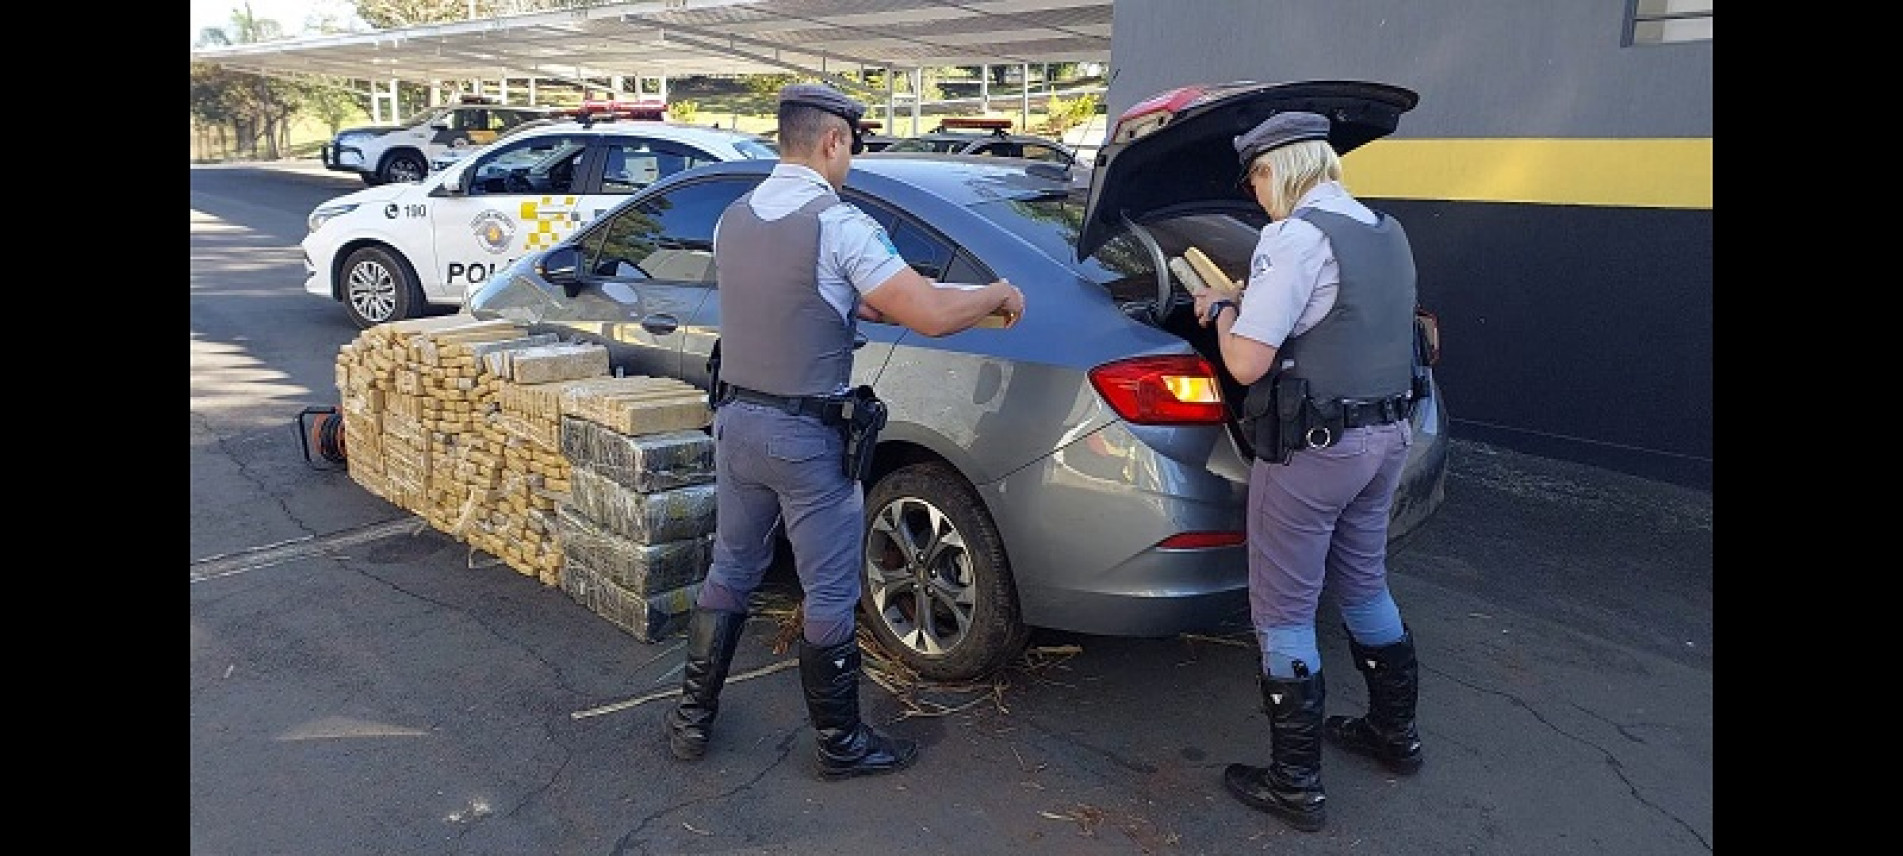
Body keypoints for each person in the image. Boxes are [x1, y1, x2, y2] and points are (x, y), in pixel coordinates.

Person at [664, 83, 1026, 780]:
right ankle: (840, 743)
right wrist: (997, 294)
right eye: (853, 147)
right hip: (806, 438)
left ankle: (689, 719)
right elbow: (925, 313)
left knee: (731, 570)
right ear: (833, 140)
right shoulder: (840, 224)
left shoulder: (733, 217)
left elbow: (833, 299)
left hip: (736, 424)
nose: (852, 161)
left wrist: (896, 304)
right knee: (828, 592)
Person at [1190, 111, 1426, 832]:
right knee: (1362, 583)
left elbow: (1244, 363)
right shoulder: (1383, 230)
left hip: (1314, 451)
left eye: (1255, 176)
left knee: (1283, 612)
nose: (1254, 193)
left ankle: (1294, 783)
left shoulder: (1293, 238)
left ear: (1278, 170)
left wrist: (1222, 309)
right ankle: (1395, 736)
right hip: (1385, 437)